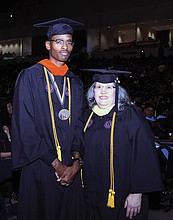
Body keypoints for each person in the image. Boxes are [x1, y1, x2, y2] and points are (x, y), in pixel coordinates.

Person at [11, 17, 85, 220]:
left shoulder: (75, 82)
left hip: (71, 168)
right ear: (48, 44)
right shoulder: (30, 77)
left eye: (69, 42)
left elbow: (79, 124)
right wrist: (57, 164)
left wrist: (76, 163)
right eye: (59, 41)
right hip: (40, 166)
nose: (65, 47)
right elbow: (25, 126)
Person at [78, 69, 163, 220]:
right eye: (98, 87)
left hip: (122, 192)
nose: (103, 91)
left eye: (109, 87)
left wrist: (137, 193)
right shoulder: (88, 116)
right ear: (93, 91)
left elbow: (144, 154)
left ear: (117, 90)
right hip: (92, 193)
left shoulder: (130, 115)